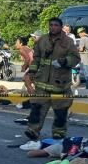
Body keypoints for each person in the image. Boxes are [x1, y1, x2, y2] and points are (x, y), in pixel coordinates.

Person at [20, 18, 80, 150]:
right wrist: (32, 72)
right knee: (37, 108)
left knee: (60, 111)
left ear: (61, 27)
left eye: (56, 25)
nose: (53, 27)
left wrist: (64, 61)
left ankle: (59, 132)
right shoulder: (42, 40)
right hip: (42, 82)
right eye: (51, 25)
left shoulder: (68, 42)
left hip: (60, 84)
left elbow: (76, 58)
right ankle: (33, 130)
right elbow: (36, 57)